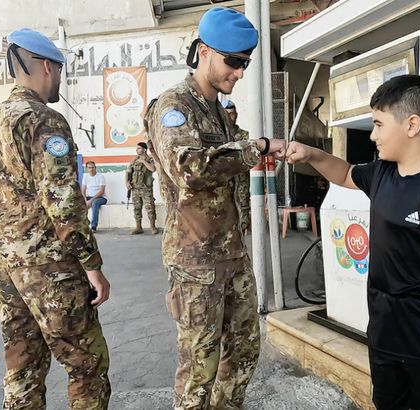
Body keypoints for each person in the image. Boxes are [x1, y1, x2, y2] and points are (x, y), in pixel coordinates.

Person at [285, 75, 420, 410]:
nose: (372, 135)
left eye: (378, 125)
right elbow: (345, 174)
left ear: (412, 125)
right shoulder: (383, 173)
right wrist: (312, 154)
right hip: (385, 336)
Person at [0, 28, 111, 409]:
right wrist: (92, 266)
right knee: (86, 365)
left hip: (4, 266)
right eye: (59, 70)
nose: (59, 78)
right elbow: (63, 201)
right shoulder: (44, 120)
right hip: (51, 269)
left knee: (22, 364)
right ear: (47, 66)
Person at [144, 7, 285, 410]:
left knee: (243, 353)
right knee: (199, 369)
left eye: (245, 64)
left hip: (231, 255)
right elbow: (188, 168)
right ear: (204, 51)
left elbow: (233, 150)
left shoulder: (218, 113)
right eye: (233, 62)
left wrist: (264, 146)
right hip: (196, 263)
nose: (240, 73)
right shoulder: (174, 105)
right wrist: (255, 148)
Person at [126, 141, 158, 234]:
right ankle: (138, 227)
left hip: (146, 189)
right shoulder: (134, 160)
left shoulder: (149, 159)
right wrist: (127, 183)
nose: (137, 150)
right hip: (135, 188)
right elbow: (128, 172)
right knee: (137, 208)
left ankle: (153, 227)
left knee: (150, 208)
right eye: (136, 148)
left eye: (139, 148)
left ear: (144, 150)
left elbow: (153, 169)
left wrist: (143, 161)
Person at [81, 160, 107, 232]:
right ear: (87, 169)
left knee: (94, 203)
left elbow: (102, 191)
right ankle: (82, 226)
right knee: (79, 204)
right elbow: (83, 189)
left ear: (95, 168)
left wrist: (90, 201)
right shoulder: (85, 176)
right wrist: (85, 200)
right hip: (89, 197)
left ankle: (93, 226)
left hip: (101, 198)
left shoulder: (100, 176)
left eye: (92, 167)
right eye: (89, 168)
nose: (91, 169)